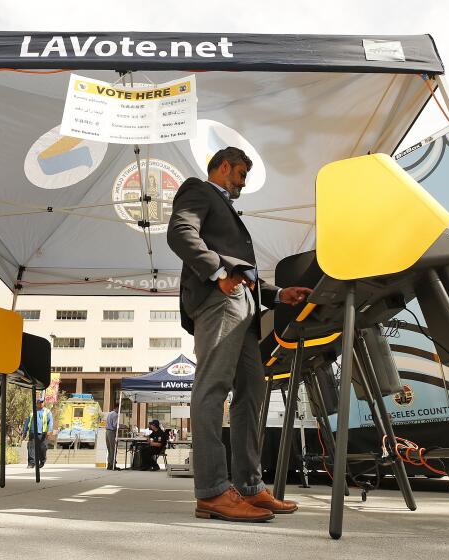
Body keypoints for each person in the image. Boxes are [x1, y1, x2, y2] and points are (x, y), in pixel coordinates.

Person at [167, 146, 313, 522]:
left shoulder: (225, 208)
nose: (243, 183)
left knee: (252, 393)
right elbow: (180, 232)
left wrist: (279, 295)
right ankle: (213, 491)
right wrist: (217, 272)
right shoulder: (198, 190)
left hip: (245, 308)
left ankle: (249, 486)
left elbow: (244, 275)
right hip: (220, 302)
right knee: (213, 387)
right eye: (242, 174)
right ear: (225, 166)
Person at [22, 396, 54, 468]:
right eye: (39, 402)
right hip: (33, 433)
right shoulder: (32, 412)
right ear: (36, 403)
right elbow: (27, 422)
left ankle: (42, 461)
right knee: (31, 448)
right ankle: (31, 463)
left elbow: (50, 422)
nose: (41, 404)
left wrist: (49, 431)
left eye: (42, 402)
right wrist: (24, 431)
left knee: (43, 448)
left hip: (43, 433)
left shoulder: (47, 412)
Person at [105, 406, 120, 470]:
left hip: (107, 432)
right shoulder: (115, 415)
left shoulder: (110, 413)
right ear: (116, 408)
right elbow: (115, 425)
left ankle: (109, 464)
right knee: (113, 449)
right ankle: (113, 465)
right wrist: (122, 425)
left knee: (109, 449)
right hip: (112, 432)